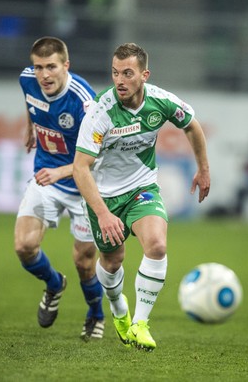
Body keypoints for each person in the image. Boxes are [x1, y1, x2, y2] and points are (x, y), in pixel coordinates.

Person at [73, 43, 210, 351]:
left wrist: (203, 168)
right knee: (112, 260)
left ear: (144, 75)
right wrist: (104, 214)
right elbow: (80, 169)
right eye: (114, 73)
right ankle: (119, 310)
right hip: (103, 198)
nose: (119, 80)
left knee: (157, 245)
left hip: (141, 188)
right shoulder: (100, 111)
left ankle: (140, 323)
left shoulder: (160, 101)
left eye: (127, 73)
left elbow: (192, 125)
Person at [15, 36, 105, 340]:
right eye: (38, 67)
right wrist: (30, 128)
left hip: (84, 188)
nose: (44, 74)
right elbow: (31, 102)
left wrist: (61, 171)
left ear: (65, 65)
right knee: (24, 246)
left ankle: (96, 314)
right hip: (46, 178)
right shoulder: (27, 81)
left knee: (84, 263)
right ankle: (54, 284)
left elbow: (98, 154)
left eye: (51, 67)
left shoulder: (84, 101)